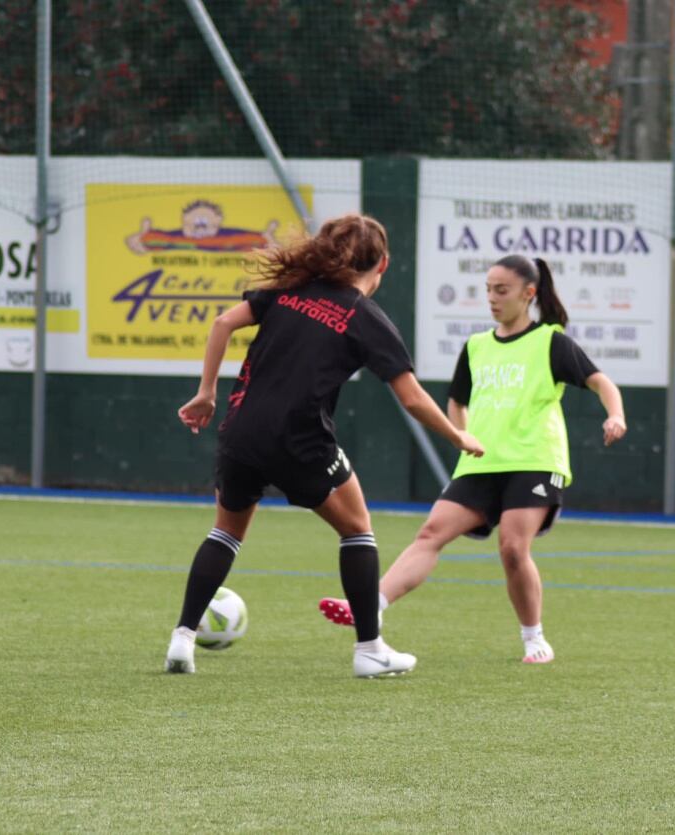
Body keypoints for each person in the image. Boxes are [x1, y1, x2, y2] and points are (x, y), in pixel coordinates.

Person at [163, 213, 484, 678]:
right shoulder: (365, 317)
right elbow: (412, 398)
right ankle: (370, 649)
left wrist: (206, 392)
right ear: (383, 265)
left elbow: (221, 324)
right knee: (357, 529)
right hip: (300, 439)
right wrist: (457, 435)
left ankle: (182, 639)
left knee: (226, 532)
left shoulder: (287, 290)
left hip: (241, 429)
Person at [319, 254, 626, 664]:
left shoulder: (551, 342)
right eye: (488, 290)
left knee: (513, 547)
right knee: (431, 533)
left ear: (528, 293)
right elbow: (456, 401)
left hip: (534, 459)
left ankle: (534, 638)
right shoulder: (477, 346)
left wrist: (616, 415)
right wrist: (462, 436)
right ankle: (373, 603)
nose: (492, 298)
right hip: (482, 462)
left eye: (502, 290)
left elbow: (600, 381)